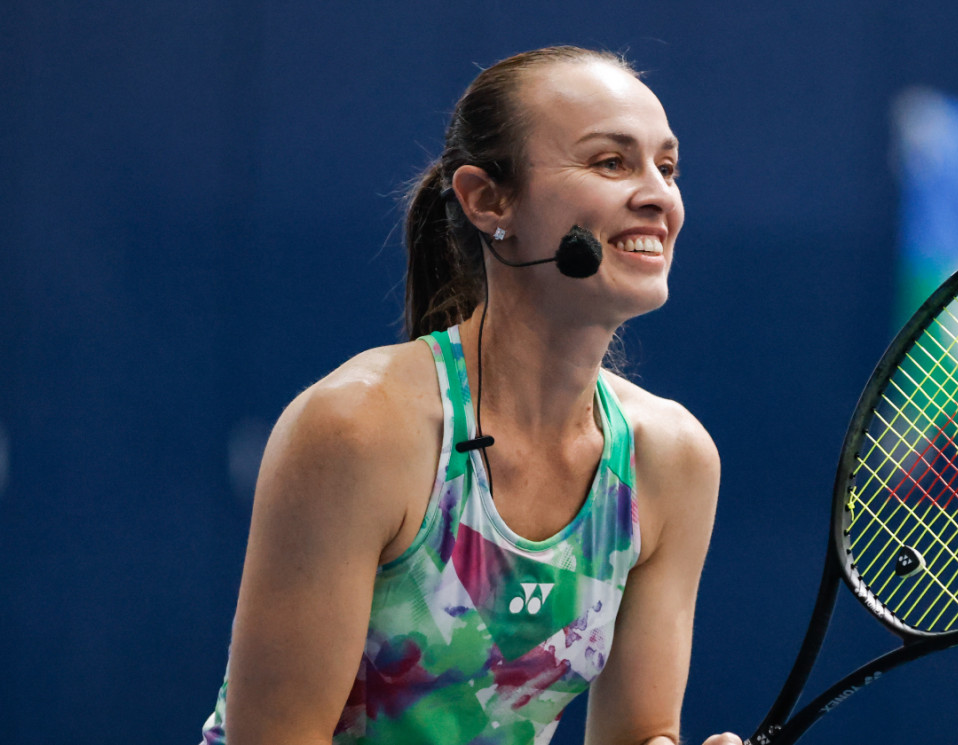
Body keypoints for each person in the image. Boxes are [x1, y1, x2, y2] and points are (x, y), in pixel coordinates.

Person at [200, 45, 739, 745]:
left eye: (667, 168)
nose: (658, 196)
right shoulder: (356, 429)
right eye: (611, 162)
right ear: (487, 199)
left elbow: (641, 733)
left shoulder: (672, 459)